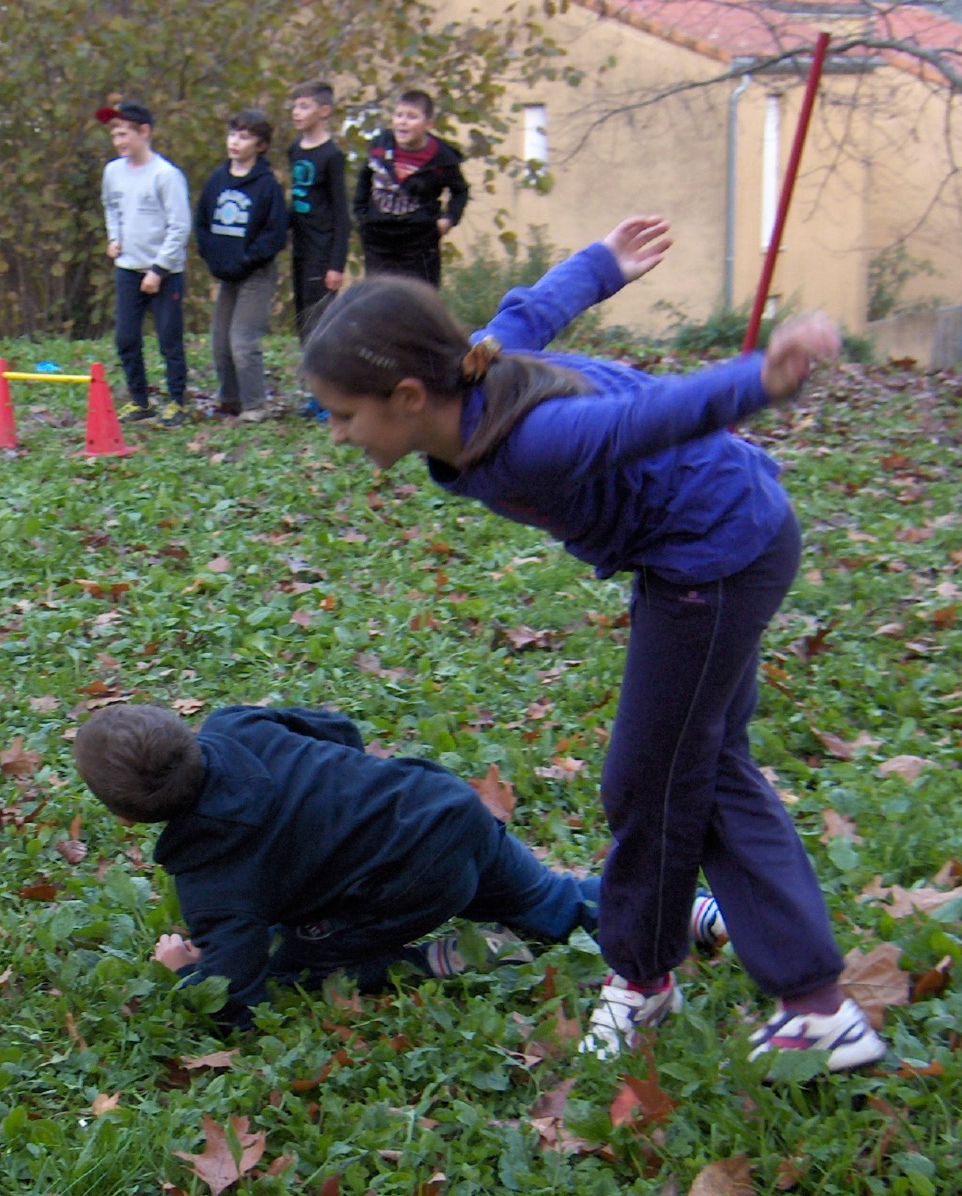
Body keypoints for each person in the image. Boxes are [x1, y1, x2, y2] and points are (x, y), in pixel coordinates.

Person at [299, 217, 886, 1074]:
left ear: (408, 399)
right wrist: (603, 263)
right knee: (702, 762)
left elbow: (648, 419)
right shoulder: (478, 363)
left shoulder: (533, 439)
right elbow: (535, 307)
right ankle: (734, 989)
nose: (338, 434)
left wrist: (758, 379)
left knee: (655, 776)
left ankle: (727, 992)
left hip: (713, 557)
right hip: (723, 539)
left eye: (344, 415)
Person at [74, 702, 727, 1029]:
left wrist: (189, 974)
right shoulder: (238, 725)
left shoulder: (212, 887)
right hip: (442, 804)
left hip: (412, 880)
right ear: (187, 732)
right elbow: (338, 731)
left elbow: (240, 997)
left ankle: (427, 960)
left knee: (295, 961)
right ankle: (699, 912)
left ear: (129, 820)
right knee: (550, 901)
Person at [98, 100, 192, 426]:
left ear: (144, 132)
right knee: (126, 338)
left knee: (169, 339)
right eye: (114, 136)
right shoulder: (113, 171)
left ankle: (177, 402)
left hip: (164, 274)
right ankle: (140, 401)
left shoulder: (166, 176)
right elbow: (111, 207)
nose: (119, 142)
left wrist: (159, 270)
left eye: (124, 134)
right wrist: (114, 237)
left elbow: (180, 226)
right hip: (128, 268)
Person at [193, 109, 288, 423]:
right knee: (220, 341)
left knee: (242, 341)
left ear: (260, 145)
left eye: (244, 137)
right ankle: (230, 400)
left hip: (255, 274)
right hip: (226, 273)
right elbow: (203, 221)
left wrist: (247, 260)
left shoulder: (266, 185)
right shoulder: (218, 179)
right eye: (233, 134)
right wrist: (212, 256)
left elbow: (274, 235)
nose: (235, 142)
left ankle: (255, 404)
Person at [352, 89, 468, 287]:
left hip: (418, 242)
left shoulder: (442, 158)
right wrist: (362, 214)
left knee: (419, 300)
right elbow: (365, 178)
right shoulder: (380, 145)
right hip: (378, 237)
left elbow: (460, 191)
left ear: (428, 124)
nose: (403, 122)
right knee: (378, 299)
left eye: (412, 117)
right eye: (399, 115)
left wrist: (449, 219)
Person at [285, 82, 350, 421]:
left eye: (305, 106)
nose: (297, 113)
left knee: (322, 327)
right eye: (295, 106)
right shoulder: (295, 151)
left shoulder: (332, 157)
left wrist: (336, 263)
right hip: (301, 250)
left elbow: (342, 214)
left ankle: (333, 399)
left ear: (323, 111)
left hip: (322, 254)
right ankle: (315, 394)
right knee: (304, 327)